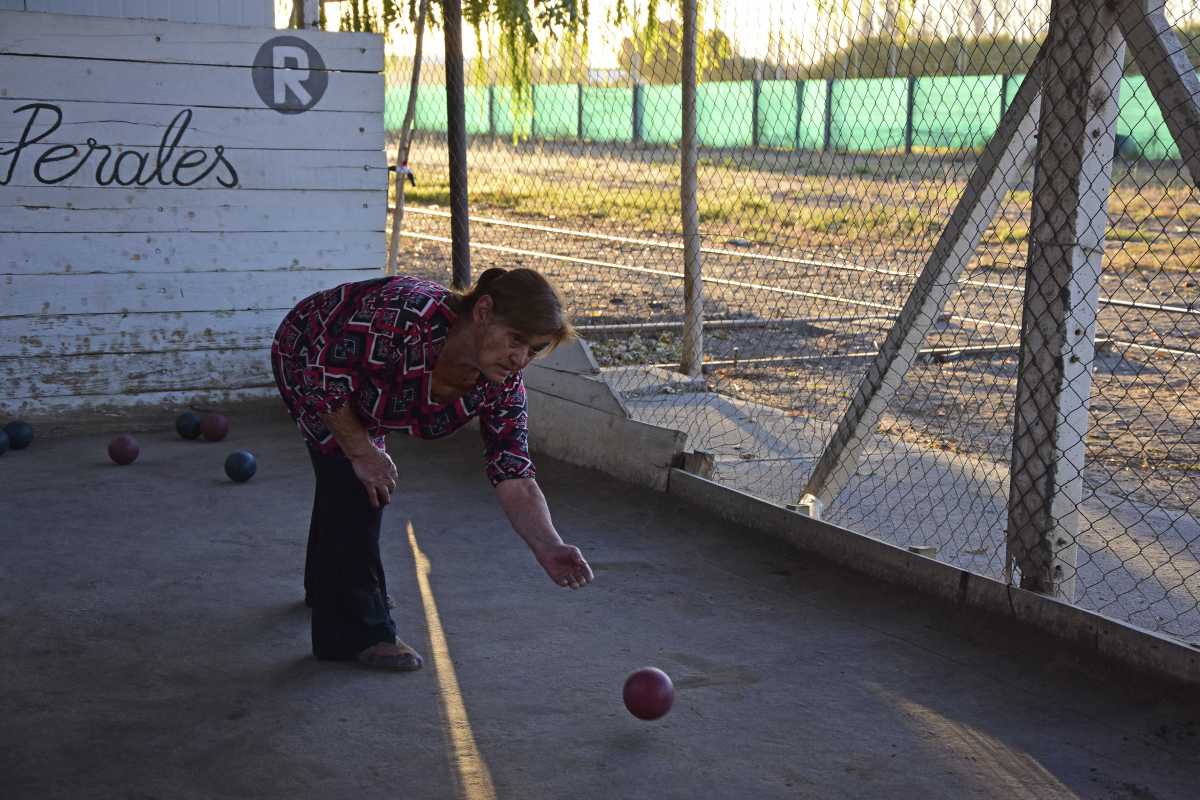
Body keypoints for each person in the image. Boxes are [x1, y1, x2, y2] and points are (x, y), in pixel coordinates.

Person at [270, 268, 594, 671]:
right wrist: (362, 452)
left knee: (349, 478)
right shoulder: (404, 317)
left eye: (534, 350)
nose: (520, 359)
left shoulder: (502, 384)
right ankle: (355, 633)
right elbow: (325, 374)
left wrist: (548, 545)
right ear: (484, 311)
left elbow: (513, 470)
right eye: (515, 340)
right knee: (356, 480)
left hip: (361, 390)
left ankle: (329, 589)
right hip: (306, 349)